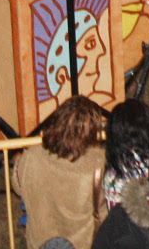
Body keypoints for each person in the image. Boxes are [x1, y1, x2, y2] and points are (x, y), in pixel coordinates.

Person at [14, 96, 108, 249]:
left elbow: (18, 186)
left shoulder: (31, 155)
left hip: (38, 243)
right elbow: (103, 210)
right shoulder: (98, 163)